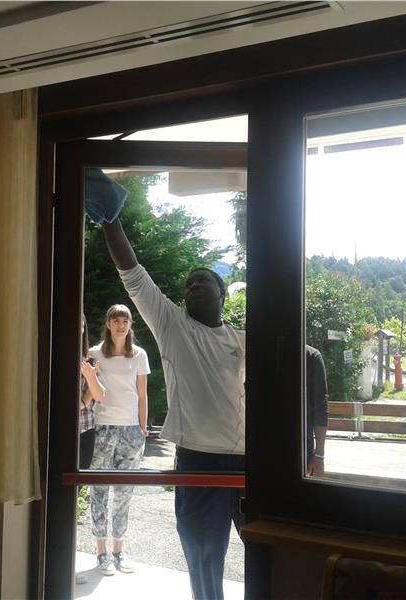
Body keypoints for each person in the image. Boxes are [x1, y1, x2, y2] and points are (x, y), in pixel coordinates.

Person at [103, 218, 245, 600]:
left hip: (245, 461)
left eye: (203, 281)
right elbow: (133, 275)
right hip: (197, 461)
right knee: (203, 557)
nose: (193, 286)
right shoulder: (172, 325)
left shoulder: (242, 340)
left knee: (266, 550)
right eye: (188, 284)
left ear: (222, 294)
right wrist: (111, 220)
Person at [88, 304, 150, 576]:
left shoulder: (139, 355)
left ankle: (119, 550)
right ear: (108, 323)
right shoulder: (94, 353)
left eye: (125, 320)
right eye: (116, 320)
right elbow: (89, 390)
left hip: (131, 430)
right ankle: (101, 551)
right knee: (99, 491)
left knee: (125, 492)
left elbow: (142, 394)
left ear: (130, 324)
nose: (120, 325)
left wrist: (142, 428)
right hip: (102, 427)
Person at [80, 315, 105, 471]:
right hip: (57, 429)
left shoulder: (89, 360)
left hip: (85, 429)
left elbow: (99, 395)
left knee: (78, 481)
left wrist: (83, 402)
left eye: (81, 325)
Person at [305, 344, 328, 476]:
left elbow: (320, 409)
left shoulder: (311, 356)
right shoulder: (311, 355)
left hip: (300, 450)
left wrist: (319, 455)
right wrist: (319, 456)